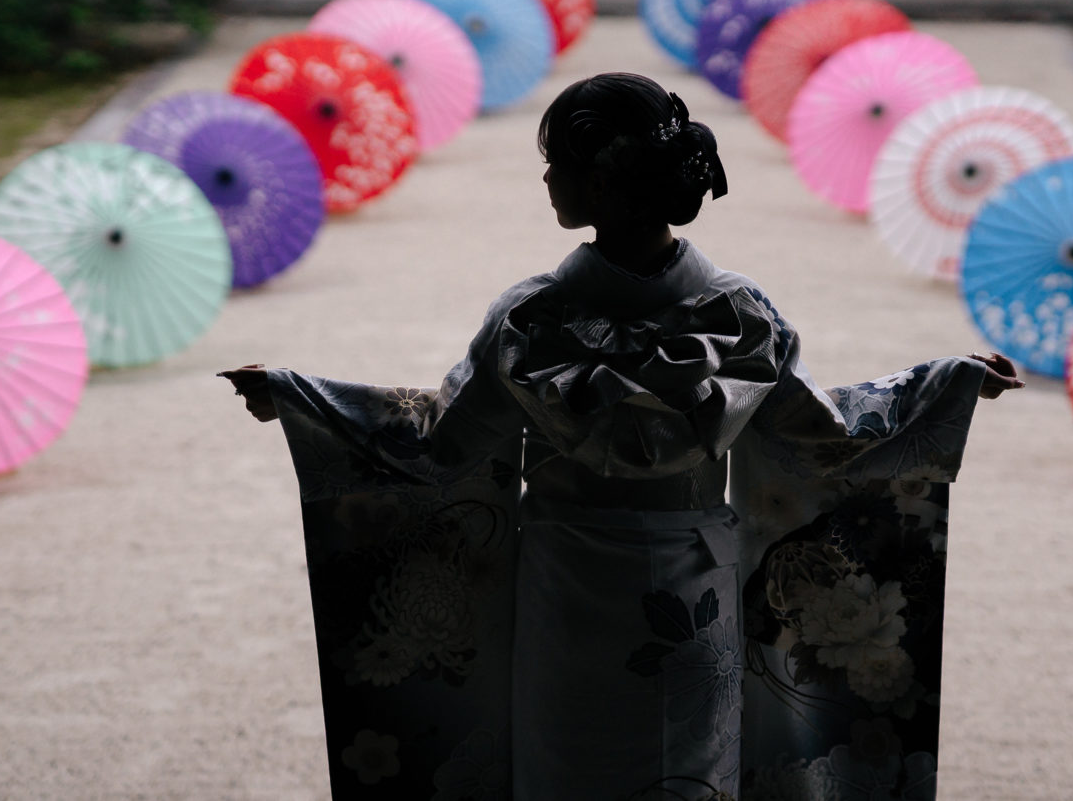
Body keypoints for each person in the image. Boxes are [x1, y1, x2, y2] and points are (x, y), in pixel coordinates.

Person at [224, 73, 1019, 801]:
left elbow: (438, 443)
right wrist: (946, 384)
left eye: (554, 163)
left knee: (567, 771)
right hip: (693, 582)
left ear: (600, 182)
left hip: (567, 588)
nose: (544, 178)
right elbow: (828, 437)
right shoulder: (738, 317)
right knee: (691, 771)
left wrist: (303, 400)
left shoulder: (533, 320)